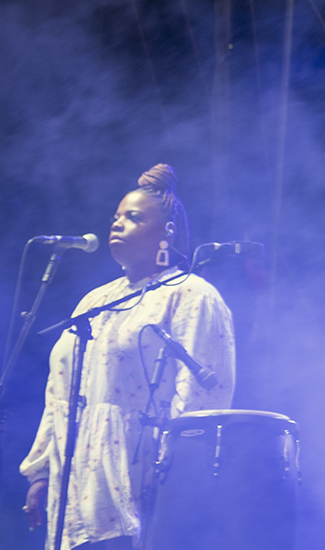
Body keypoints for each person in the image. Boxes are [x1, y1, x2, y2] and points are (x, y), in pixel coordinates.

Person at [21, 164, 236, 550]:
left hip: (139, 467)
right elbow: (60, 391)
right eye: (115, 217)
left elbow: (204, 393)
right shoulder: (95, 300)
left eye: (133, 217)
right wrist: (42, 471)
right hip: (76, 471)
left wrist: (173, 469)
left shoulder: (191, 294)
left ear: (167, 231)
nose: (117, 224)